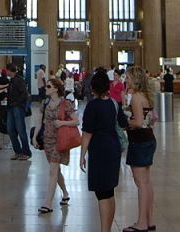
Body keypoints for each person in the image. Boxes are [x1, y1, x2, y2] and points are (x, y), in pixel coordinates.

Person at [80, 69, 124, 232]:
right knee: (109, 191)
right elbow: (122, 123)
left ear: (93, 88)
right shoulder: (113, 103)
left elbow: (87, 133)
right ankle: (107, 228)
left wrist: (82, 155)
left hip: (99, 151)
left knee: (102, 193)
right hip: (113, 148)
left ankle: (105, 230)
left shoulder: (93, 106)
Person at [124, 66, 157, 232]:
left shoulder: (136, 97)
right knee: (146, 181)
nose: (126, 81)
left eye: (128, 78)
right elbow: (152, 118)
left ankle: (142, 222)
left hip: (139, 141)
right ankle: (149, 219)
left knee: (141, 182)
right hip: (149, 139)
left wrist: (125, 123)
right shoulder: (146, 96)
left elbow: (137, 122)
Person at [37, 77, 77, 215]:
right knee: (56, 170)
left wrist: (62, 123)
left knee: (53, 170)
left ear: (55, 89)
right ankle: (65, 193)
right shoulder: (45, 103)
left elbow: (76, 121)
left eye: (48, 86)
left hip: (59, 141)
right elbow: (39, 121)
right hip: (47, 140)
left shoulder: (66, 104)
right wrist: (34, 136)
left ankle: (48, 203)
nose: (45, 88)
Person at [5, 63, 31, 161]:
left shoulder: (19, 80)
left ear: (9, 70)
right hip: (11, 107)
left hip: (17, 108)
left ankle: (26, 152)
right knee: (10, 129)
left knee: (21, 130)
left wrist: (16, 103)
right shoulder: (11, 81)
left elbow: (24, 94)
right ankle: (18, 151)